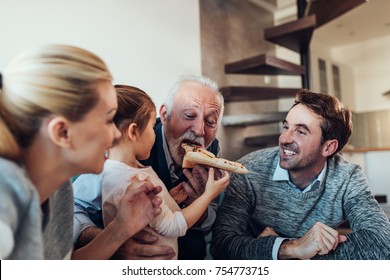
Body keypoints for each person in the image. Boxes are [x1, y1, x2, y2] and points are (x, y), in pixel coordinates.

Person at [0, 44, 162, 260]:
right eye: (108, 119)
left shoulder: (62, 189)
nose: (115, 135)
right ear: (62, 131)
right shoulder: (5, 195)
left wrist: (120, 229)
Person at [211, 89, 390, 260]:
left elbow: (381, 242)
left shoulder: (348, 177)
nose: (284, 139)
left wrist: (293, 258)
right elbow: (222, 245)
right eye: (286, 127)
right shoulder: (248, 171)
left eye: (300, 131)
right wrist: (292, 248)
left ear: (328, 147)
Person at [73, 74, 225, 259]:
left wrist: (197, 205)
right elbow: (73, 207)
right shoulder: (127, 147)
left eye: (210, 122)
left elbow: (213, 220)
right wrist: (111, 242)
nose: (200, 130)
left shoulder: (213, 150)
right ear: (164, 114)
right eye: (189, 115)